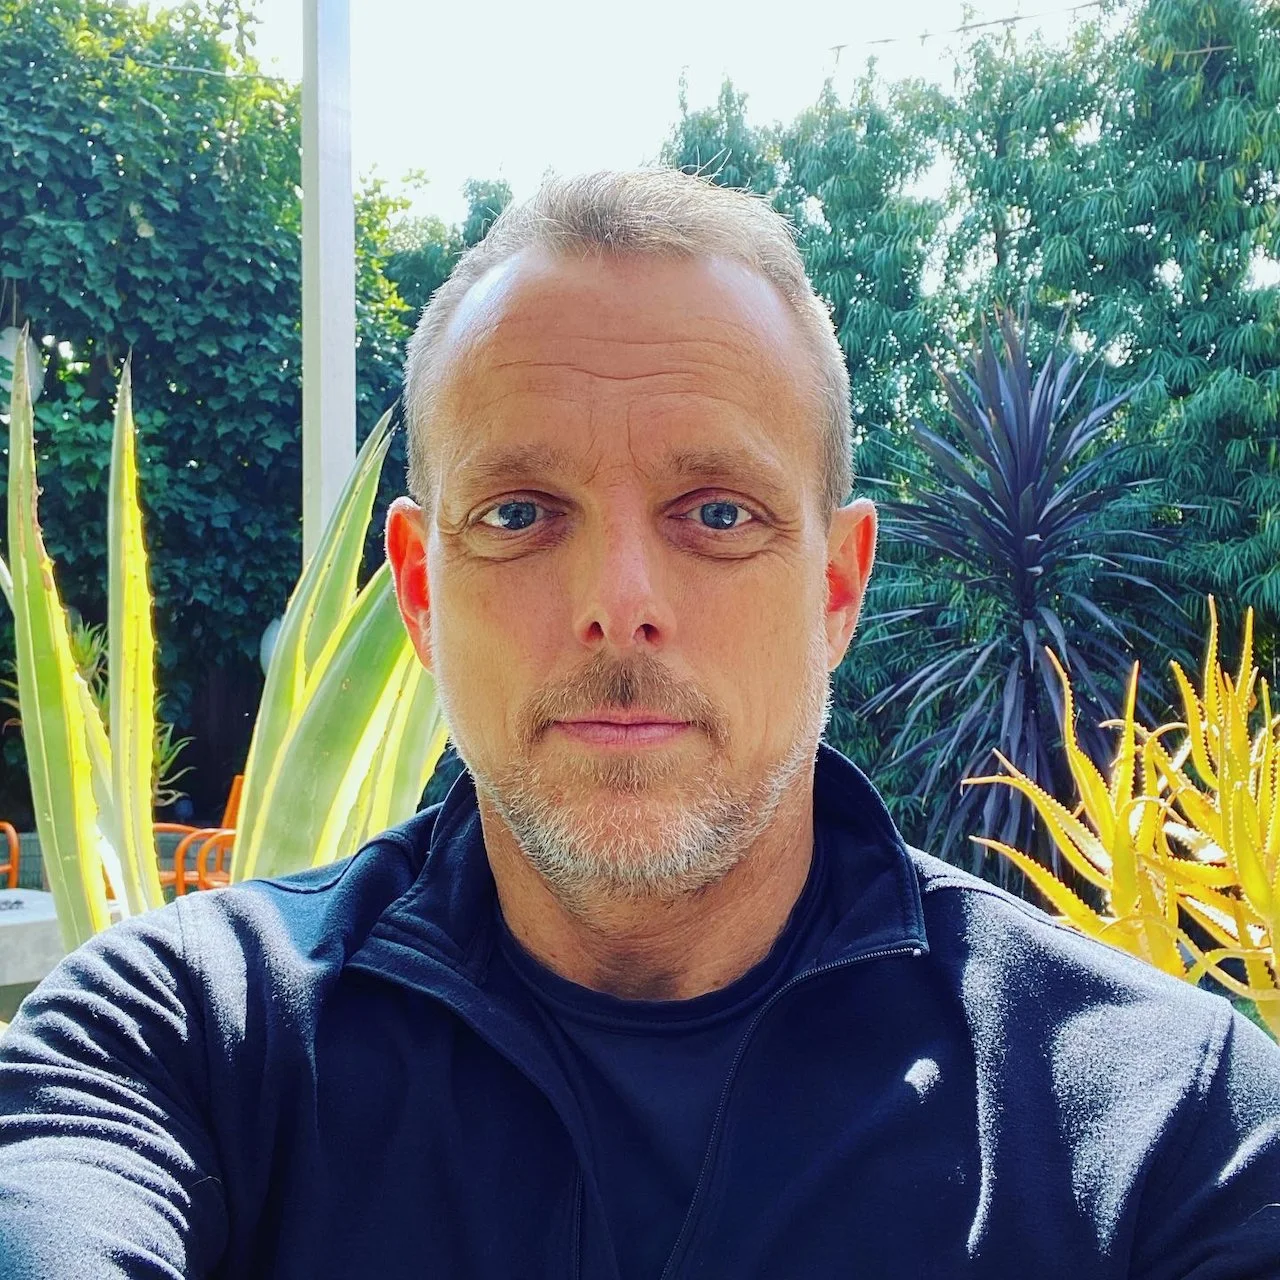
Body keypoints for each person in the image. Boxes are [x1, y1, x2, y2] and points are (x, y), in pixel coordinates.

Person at [1, 169, 1278, 1280]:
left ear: (835, 586)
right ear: (423, 592)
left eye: (717, 512)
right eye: (518, 512)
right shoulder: (175, 1044)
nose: (618, 603)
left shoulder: (1167, 1124)